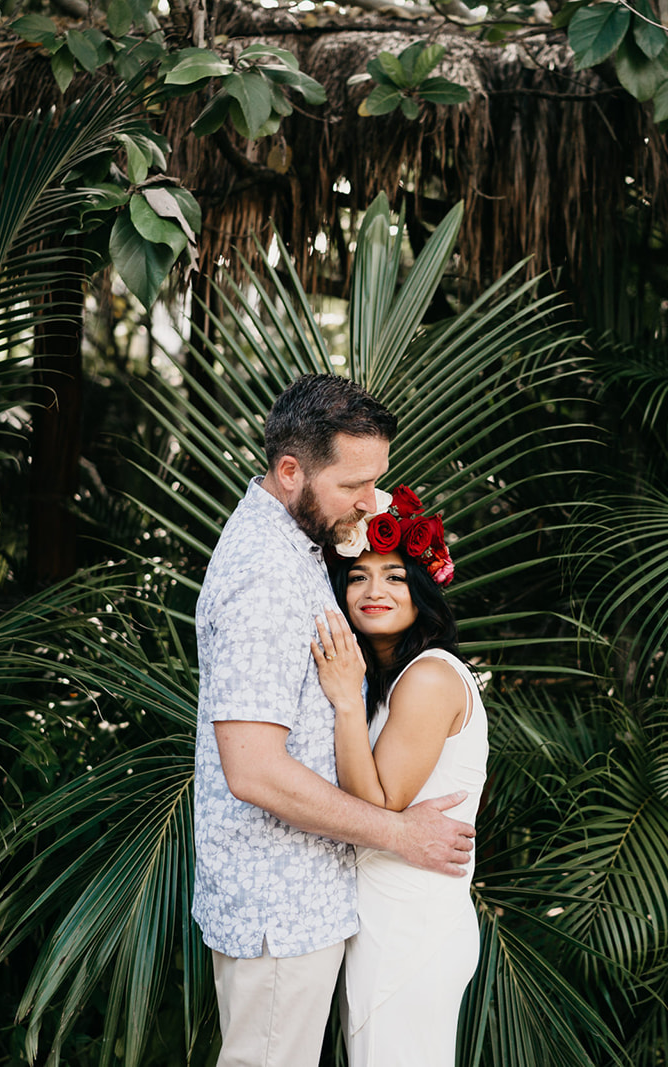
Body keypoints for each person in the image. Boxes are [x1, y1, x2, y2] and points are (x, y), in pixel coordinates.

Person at [191, 374, 476, 1067]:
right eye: (355, 485)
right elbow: (254, 770)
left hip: (307, 903)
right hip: (280, 912)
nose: (369, 501)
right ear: (290, 470)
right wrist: (399, 832)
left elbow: (374, 528)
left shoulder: (300, 535)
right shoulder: (265, 573)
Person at [311, 488, 487, 1067]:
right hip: (384, 919)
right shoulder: (390, 680)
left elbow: (380, 804)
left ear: (424, 591)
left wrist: (341, 699)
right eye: (358, 577)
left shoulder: (430, 678)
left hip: (412, 927)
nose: (374, 591)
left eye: (394, 576)